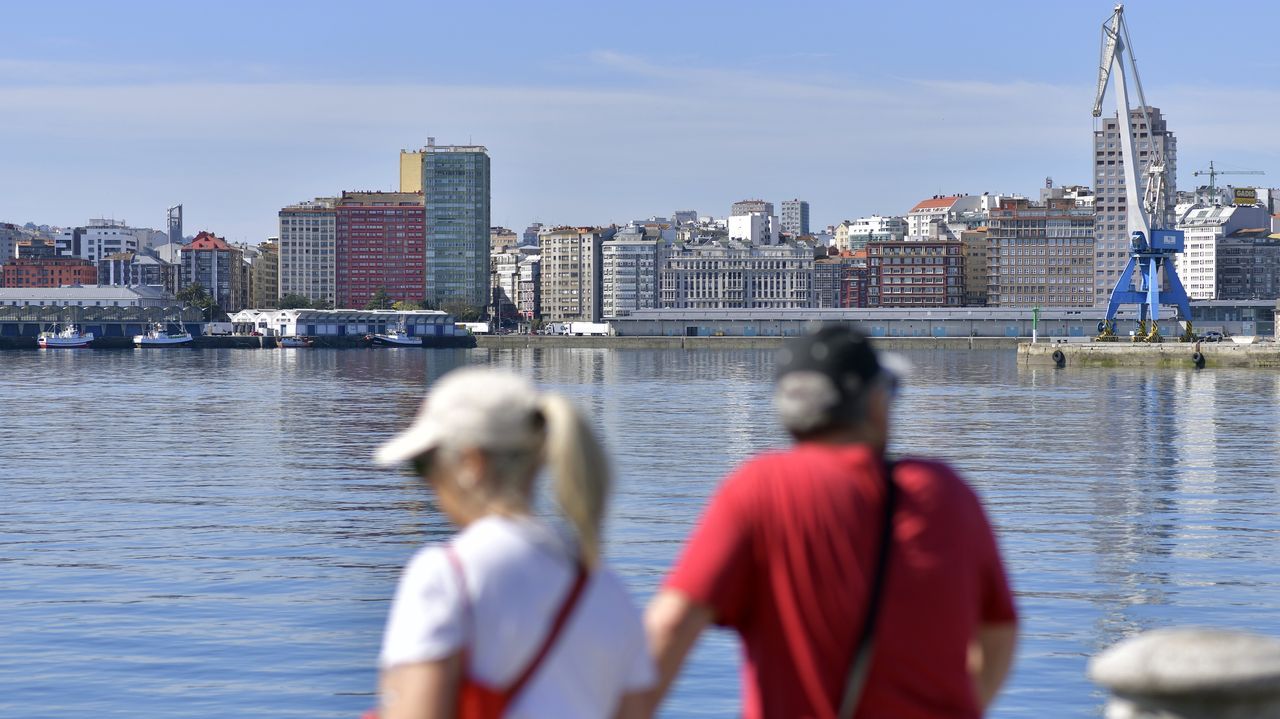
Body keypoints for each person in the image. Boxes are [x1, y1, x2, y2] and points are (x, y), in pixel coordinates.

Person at [645, 326, 1018, 718]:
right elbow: (998, 631)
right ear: (874, 403)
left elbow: (670, 627)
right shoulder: (946, 494)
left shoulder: (758, 490)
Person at [372, 368, 654, 719]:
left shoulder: (447, 576)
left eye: (422, 465)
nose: (425, 483)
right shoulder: (608, 591)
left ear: (471, 464)